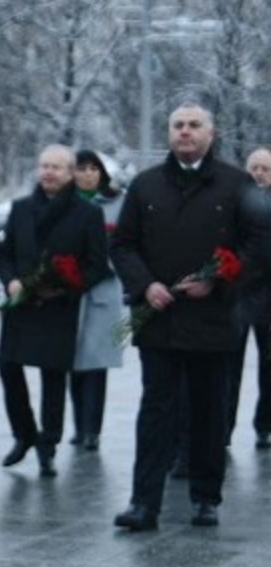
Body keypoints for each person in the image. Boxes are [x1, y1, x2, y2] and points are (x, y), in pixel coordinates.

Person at [110, 103, 254, 531]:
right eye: (178, 125)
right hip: (160, 318)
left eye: (194, 125)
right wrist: (144, 285)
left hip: (213, 320)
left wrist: (220, 281)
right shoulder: (145, 185)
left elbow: (257, 248)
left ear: (211, 133)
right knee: (156, 411)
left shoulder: (236, 184)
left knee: (209, 410)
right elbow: (123, 246)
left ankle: (206, 497)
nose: (185, 132)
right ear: (169, 133)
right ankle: (144, 502)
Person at [0, 145, 108, 477]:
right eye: (44, 166)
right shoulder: (21, 208)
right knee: (7, 366)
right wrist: (10, 280)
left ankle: (48, 443)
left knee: (53, 376)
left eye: (56, 167)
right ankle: (24, 433)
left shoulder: (87, 214)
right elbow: (5, 254)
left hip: (58, 305)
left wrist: (67, 285)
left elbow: (97, 265)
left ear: (71, 173)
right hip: (20, 304)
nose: (48, 172)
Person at [68, 150, 126, 451]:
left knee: (96, 362)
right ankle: (78, 425)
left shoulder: (118, 203)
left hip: (104, 291)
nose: (88, 174)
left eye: (94, 168)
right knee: (71, 362)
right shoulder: (64, 202)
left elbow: (127, 244)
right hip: (69, 291)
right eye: (82, 168)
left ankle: (93, 429)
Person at [233, 148, 271, 450]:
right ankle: (223, 427)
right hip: (237, 294)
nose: (259, 173)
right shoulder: (235, 204)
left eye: (265, 169)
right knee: (228, 365)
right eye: (254, 167)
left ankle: (264, 425)